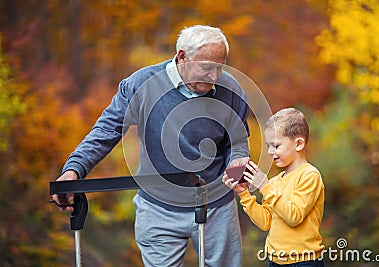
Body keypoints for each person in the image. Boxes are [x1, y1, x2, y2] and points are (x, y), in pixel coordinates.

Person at [52, 25, 250, 266]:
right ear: (182, 57)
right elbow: (106, 131)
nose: (214, 76)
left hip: (216, 206)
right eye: (207, 68)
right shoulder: (141, 84)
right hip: (158, 209)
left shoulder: (231, 90)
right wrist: (74, 169)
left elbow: (238, 141)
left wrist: (238, 160)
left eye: (220, 67)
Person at [223, 108, 325, 267]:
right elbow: (266, 222)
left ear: (298, 144)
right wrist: (244, 195)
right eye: (268, 146)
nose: (270, 152)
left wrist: (264, 186)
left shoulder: (310, 176)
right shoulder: (276, 181)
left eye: (276, 146)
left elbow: (294, 217)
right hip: (275, 261)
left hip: (304, 261)